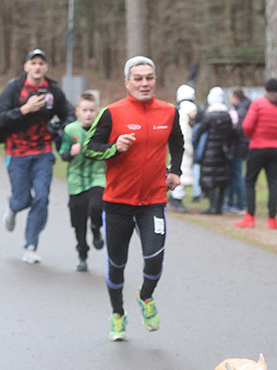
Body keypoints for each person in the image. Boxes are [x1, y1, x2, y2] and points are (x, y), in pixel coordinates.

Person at [83, 56, 183, 342]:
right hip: (117, 203)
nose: (144, 83)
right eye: (138, 78)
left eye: (149, 77)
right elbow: (90, 148)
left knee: (155, 256)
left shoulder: (168, 111)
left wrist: (175, 170)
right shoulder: (111, 113)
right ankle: (118, 315)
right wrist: (114, 148)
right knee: (117, 263)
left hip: (153, 200)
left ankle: (145, 296)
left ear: (155, 80)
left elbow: (177, 141)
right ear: (127, 82)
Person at [0, 48, 74, 264]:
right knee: (23, 198)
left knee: (41, 198)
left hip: (43, 153)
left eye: (41, 63)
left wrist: (59, 126)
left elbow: (69, 115)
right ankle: (14, 205)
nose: (37, 67)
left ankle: (30, 245)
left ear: (46, 67)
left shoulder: (53, 90)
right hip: (16, 152)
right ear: (26, 66)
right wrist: (24, 110)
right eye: (33, 63)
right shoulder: (15, 88)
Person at [234, 77, 277, 230]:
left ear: (266, 89)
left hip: (257, 148)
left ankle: (250, 217)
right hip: (276, 149)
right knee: (273, 184)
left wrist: (252, 136)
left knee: (250, 181)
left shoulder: (258, 104)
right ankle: (272, 219)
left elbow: (247, 126)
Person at [58, 92, 105, 272]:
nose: (88, 114)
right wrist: (70, 152)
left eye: (92, 110)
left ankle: (96, 229)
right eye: (85, 110)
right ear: (78, 111)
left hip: (98, 177)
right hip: (76, 181)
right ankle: (82, 253)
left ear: (97, 111)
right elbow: (62, 154)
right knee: (78, 224)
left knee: (96, 206)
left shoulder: (103, 129)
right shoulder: (70, 130)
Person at [194, 86, 235, 214]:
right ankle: (219, 207)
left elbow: (199, 131)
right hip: (223, 152)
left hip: (210, 153)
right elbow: (231, 134)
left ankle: (212, 206)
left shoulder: (209, 115)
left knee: (210, 179)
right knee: (222, 179)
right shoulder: (227, 115)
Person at [167, 83, 196, 213]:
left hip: (179, 143)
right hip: (186, 143)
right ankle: (176, 197)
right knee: (181, 170)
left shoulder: (178, 108)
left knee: (176, 167)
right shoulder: (189, 107)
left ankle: (174, 195)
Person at [226, 89, 251, 213]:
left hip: (238, 147)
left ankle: (241, 203)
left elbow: (238, 130)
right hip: (243, 146)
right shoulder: (247, 109)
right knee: (237, 174)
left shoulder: (240, 112)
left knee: (237, 174)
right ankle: (235, 201)